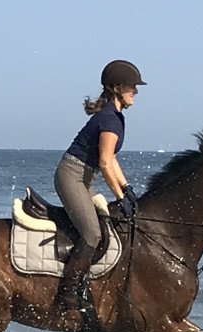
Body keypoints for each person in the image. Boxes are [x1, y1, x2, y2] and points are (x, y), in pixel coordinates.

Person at [54, 59, 146, 311]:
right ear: (117, 88)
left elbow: (111, 159)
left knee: (106, 225)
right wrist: (118, 194)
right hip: (71, 175)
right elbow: (105, 162)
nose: (135, 93)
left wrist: (126, 189)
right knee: (92, 234)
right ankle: (67, 294)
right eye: (132, 88)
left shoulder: (115, 117)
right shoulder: (109, 118)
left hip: (85, 177)